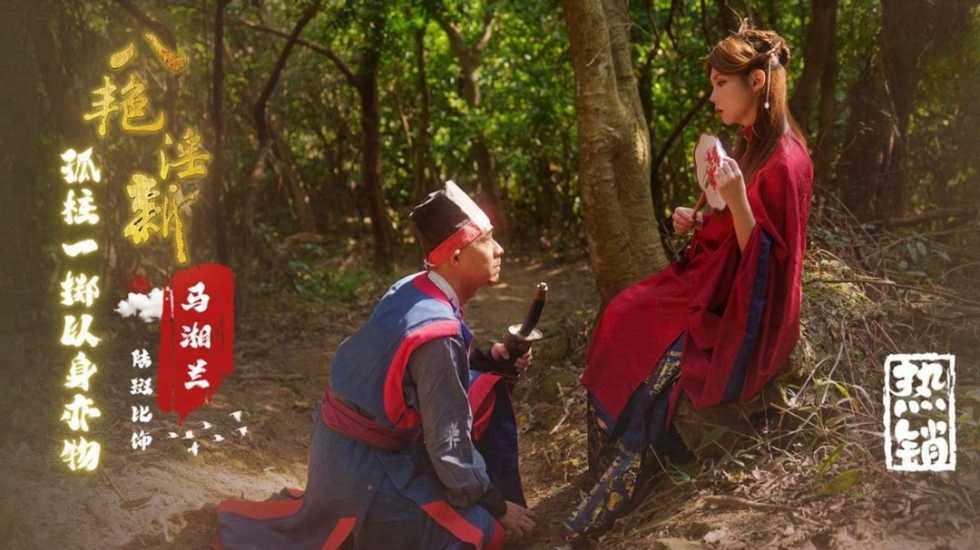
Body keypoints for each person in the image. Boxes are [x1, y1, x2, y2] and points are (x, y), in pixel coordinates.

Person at [567, 28, 814, 535]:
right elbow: (734, 229)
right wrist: (701, 219)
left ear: (757, 82)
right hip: (712, 277)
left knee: (648, 346)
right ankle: (605, 462)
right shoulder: (752, 143)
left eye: (721, 83)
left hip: (739, 304)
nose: (712, 95)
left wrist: (737, 201)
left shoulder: (787, 161)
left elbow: (769, 266)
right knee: (621, 312)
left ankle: (619, 482)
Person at [216, 181, 536, 549]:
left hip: (339, 455)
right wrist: (496, 506)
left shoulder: (413, 286)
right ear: (456, 257)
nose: (499, 249)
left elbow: (422, 370)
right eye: (487, 240)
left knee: (484, 383)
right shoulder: (438, 334)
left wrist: (488, 357)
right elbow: (448, 443)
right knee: (486, 533)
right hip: (367, 475)